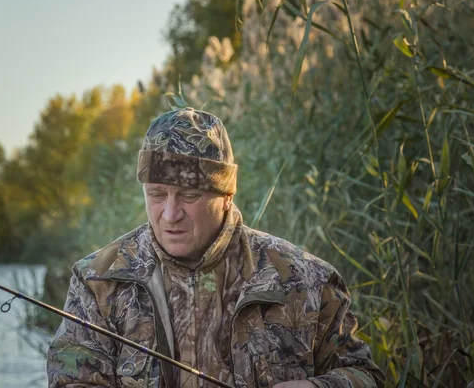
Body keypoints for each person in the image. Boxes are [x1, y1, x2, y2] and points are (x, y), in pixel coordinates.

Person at [46, 108, 385, 388]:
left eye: (189, 196)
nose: (170, 214)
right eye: (157, 194)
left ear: (226, 197)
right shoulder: (99, 281)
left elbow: (366, 376)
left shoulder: (306, 281)